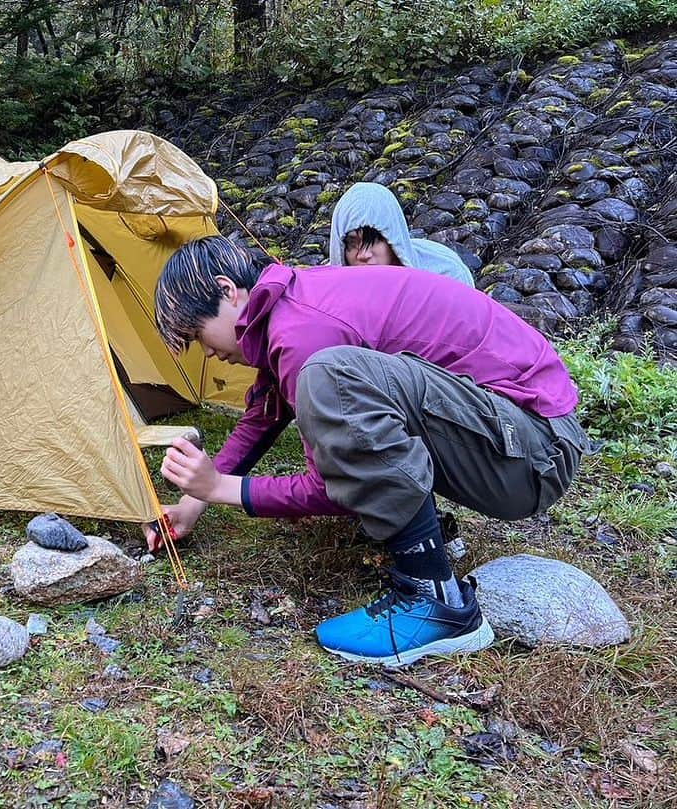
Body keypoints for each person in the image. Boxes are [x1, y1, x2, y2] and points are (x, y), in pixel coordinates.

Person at [145, 236, 587, 667]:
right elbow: (265, 412)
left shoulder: (303, 331)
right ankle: (426, 552)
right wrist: (192, 502)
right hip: (515, 437)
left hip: (534, 452)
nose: (206, 351)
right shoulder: (292, 305)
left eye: (199, 334)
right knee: (331, 377)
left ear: (229, 292)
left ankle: (435, 599)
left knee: (330, 376)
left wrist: (223, 487)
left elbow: (332, 487)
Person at [329, 182, 475, 286]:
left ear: (393, 238)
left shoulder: (447, 276)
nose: (363, 255)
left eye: (375, 240)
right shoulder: (323, 293)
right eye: (352, 243)